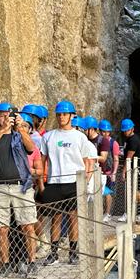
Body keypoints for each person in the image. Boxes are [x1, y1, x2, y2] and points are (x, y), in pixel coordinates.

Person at [0, 102, 39, 279]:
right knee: (2, 228)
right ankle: (5, 264)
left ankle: (32, 262)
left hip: (21, 186)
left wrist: (21, 129)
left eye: (9, 115)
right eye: (2, 115)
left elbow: (31, 148)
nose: (6, 118)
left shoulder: (18, 135)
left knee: (28, 225)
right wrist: (1, 131)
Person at [39, 100, 96, 264]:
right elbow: (42, 161)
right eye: (59, 114)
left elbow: (87, 161)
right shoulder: (48, 137)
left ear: (72, 116)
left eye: (65, 114)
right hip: (54, 181)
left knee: (73, 217)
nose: (61, 117)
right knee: (55, 218)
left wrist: (86, 181)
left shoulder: (80, 137)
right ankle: (53, 254)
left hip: (74, 181)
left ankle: (73, 252)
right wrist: (41, 184)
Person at [117, 118, 140, 220]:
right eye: (124, 130)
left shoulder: (133, 140)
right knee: (131, 190)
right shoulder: (129, 139)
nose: (125, 132)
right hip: (132, 167)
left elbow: (129, 157)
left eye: (127, 130)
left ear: (132, 129)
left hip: (135, 168)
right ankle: (131, 212)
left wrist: (123, 172)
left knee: (133, 189)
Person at [97, 120, 120, 220]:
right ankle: (100, 213)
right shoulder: (99, 141)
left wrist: (114, 173)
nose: (105, 134)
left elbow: (116, 159)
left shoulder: (113, 143)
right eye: (103, 131)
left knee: (108, 193)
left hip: (109, 172)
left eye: (107, 132)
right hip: (99, 171)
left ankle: (107, 214)